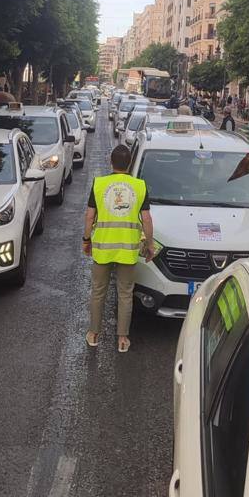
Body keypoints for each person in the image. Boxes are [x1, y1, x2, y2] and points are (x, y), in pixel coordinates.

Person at [83, 144, 154, 353]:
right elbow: (147, 219)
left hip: (103, 248)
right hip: (127, 250)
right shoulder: (139, 186)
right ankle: (122, 338)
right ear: (130, 163)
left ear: (111, 162)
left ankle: (94, 334)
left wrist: (86, 240)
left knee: (98, 292)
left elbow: (89, 216)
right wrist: (149, 244)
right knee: (125, 294)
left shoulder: (99, 184)